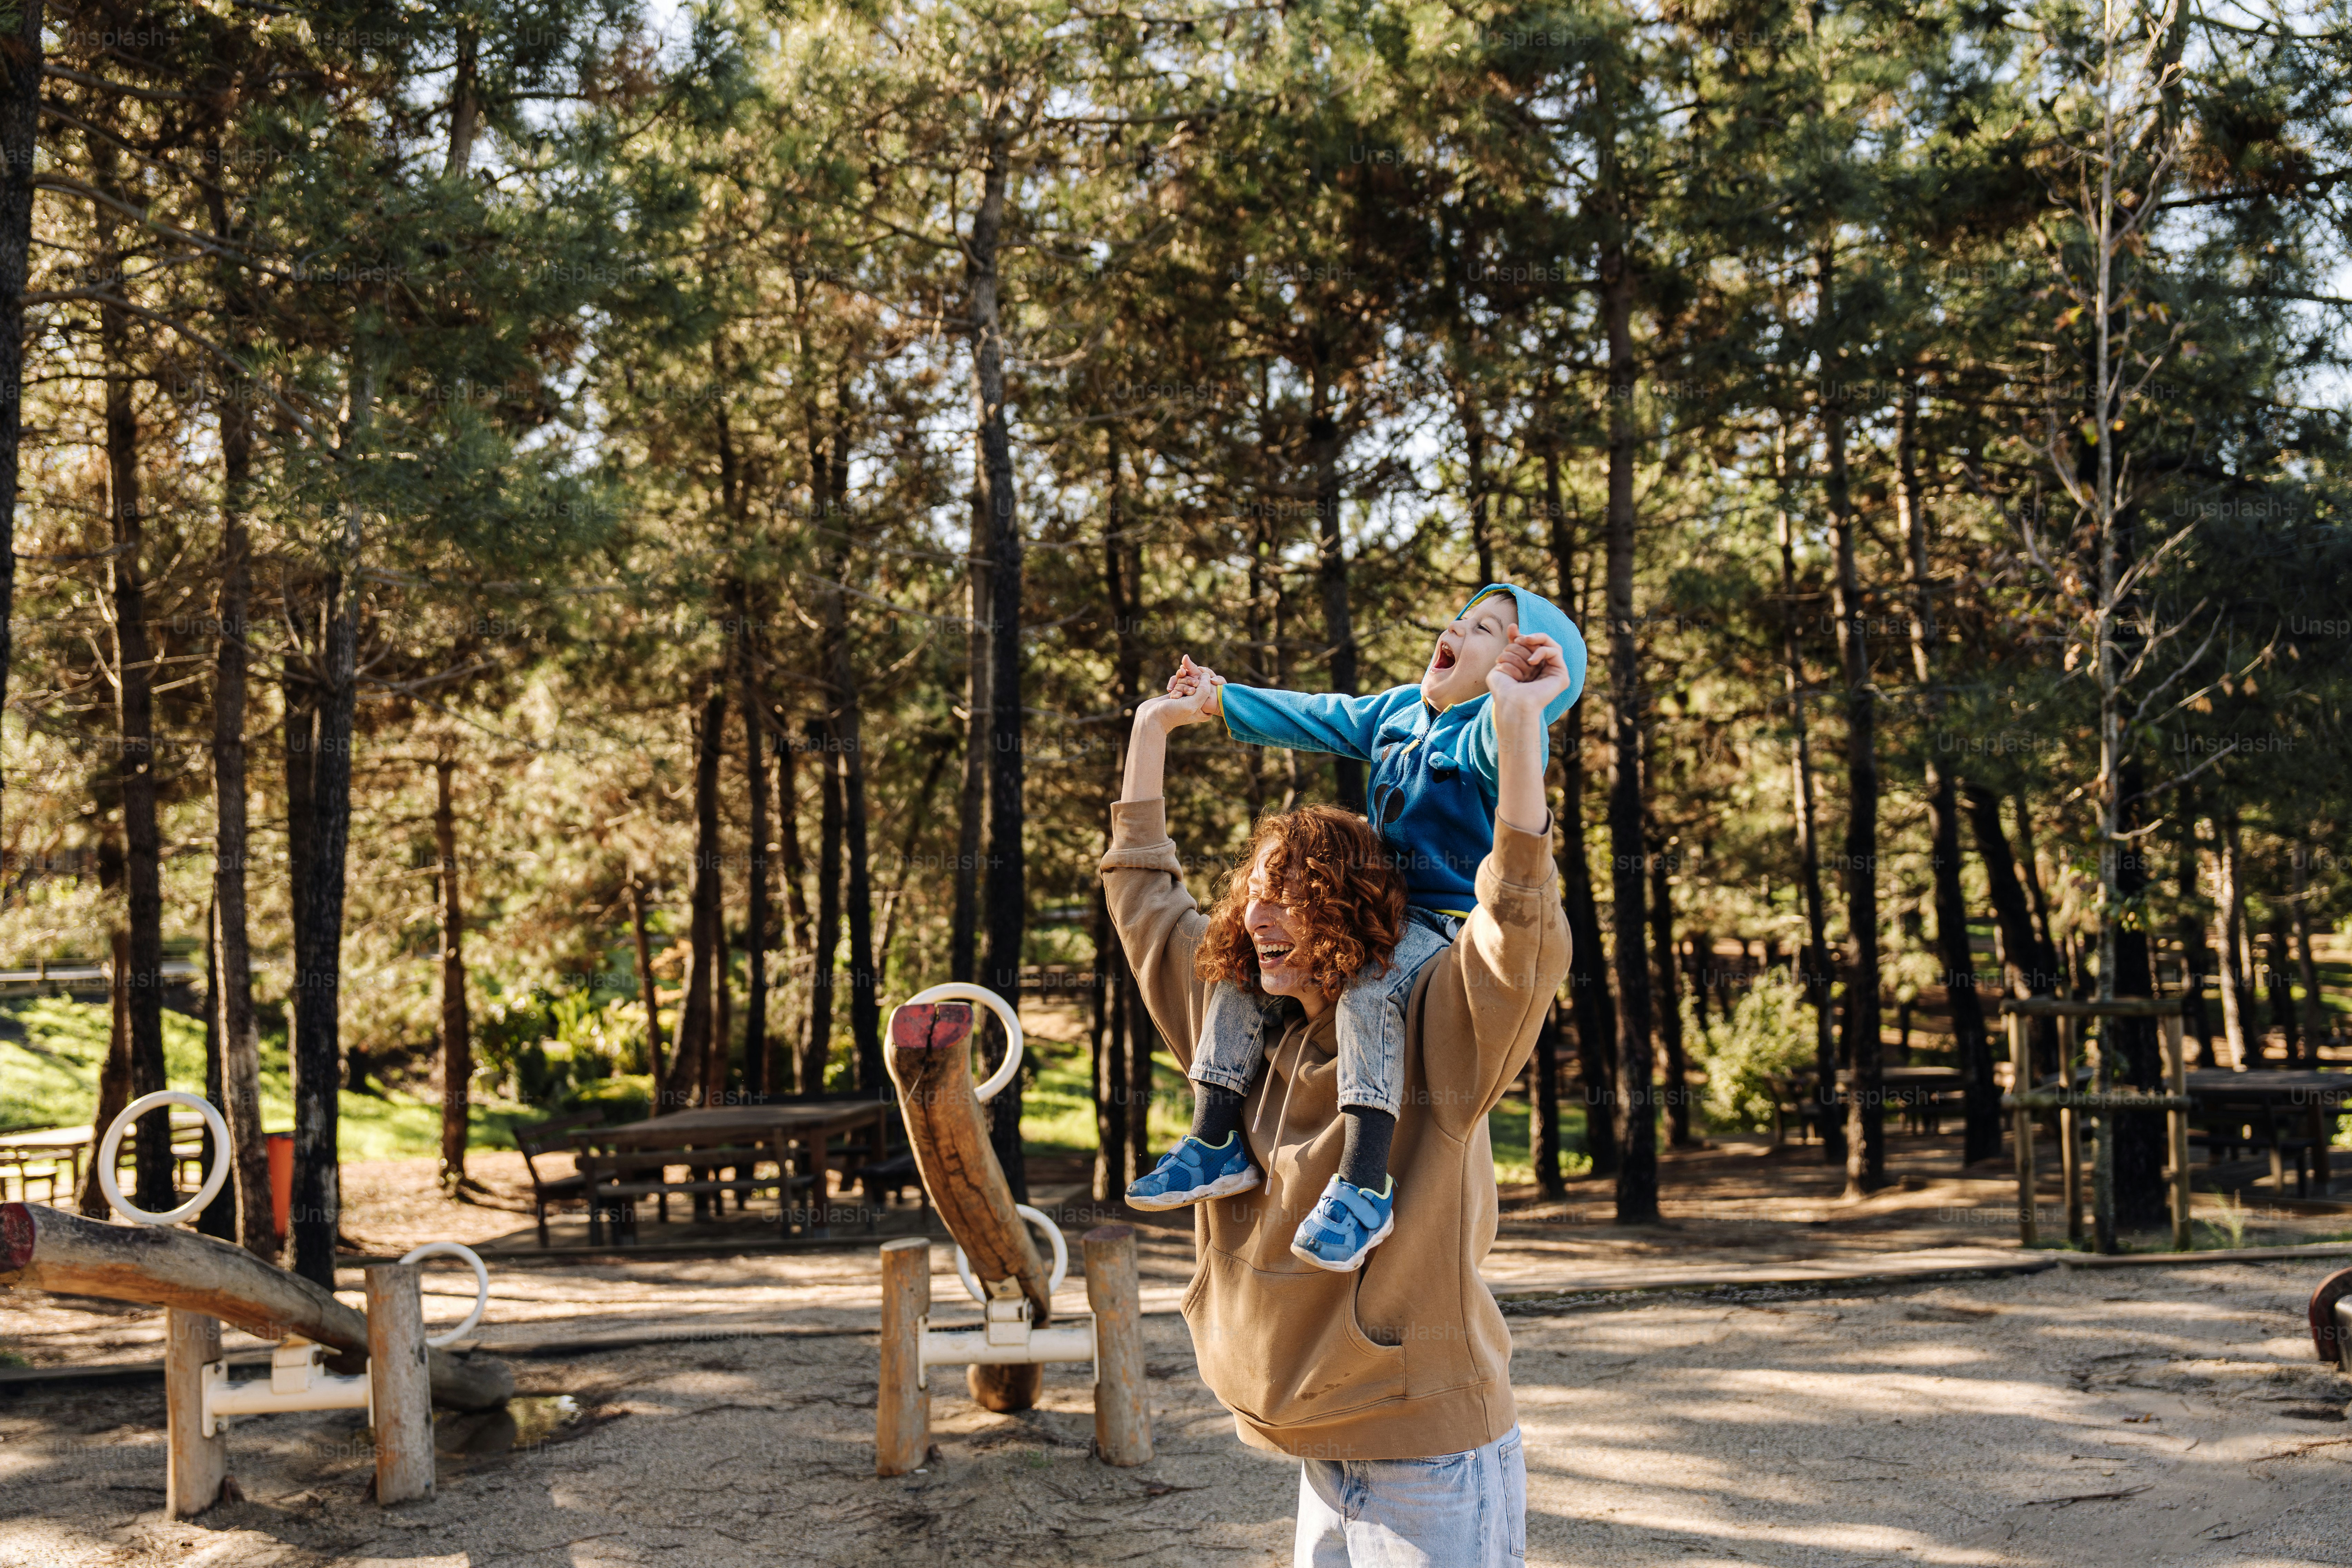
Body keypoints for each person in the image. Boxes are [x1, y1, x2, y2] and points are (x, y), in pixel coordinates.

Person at [1101, 627, 1572, 1566]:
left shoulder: (1439, 1023)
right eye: (1253, 892)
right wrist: (1153, 729)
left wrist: (1517, 726)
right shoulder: (1233, 1026)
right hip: (1312, 1446)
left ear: (1353, 905)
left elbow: (1517, 930)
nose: (1258, 913)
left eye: (1294, 891)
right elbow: (1146, 898)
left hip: (1426, 1451)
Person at [1124, 584, 1585, 1275]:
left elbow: (1512, 748)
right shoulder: (1398, 710)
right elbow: (1317, 715)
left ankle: (1366, 1183)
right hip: (1376, 905)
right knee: (1243, 966)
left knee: (1370, 993)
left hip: (1443, 919)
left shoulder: (1490, 732)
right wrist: (1220, 697)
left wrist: (1519, 708)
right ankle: (1214, 1134)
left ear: (1516, 668)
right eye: (1461, 616)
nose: (1458, 627)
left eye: (1488, 628)